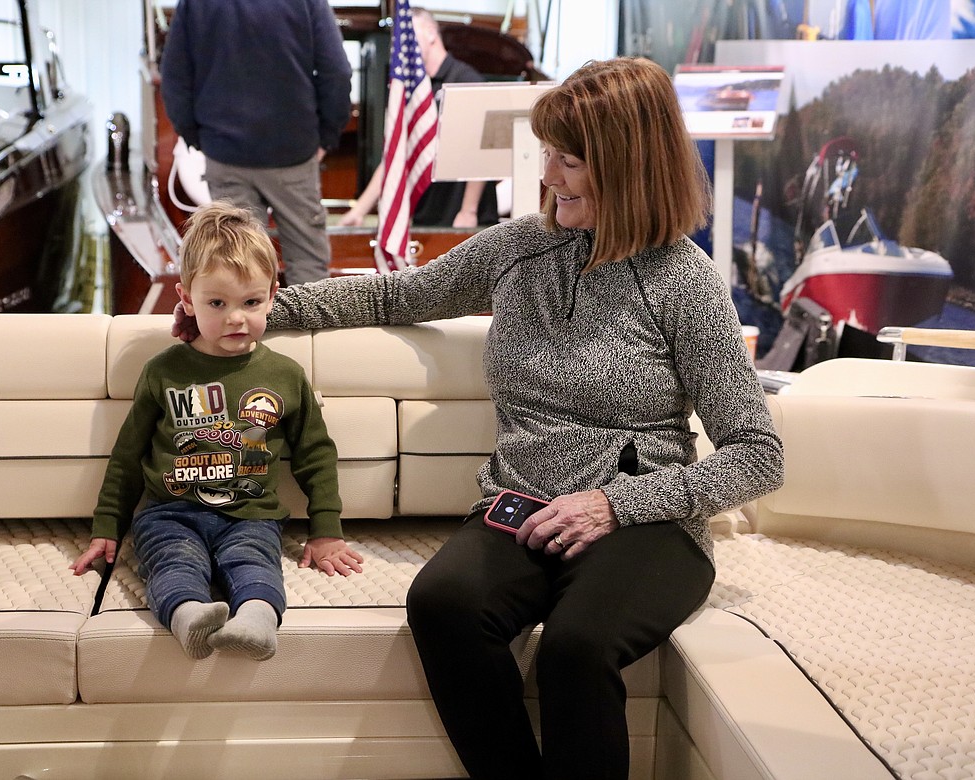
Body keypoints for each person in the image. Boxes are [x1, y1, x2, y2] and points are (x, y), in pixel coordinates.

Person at [174, 57, 784, 777]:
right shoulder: (519, 249)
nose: (548, 175)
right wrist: (250, 313)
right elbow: (391, 297)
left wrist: (615, 505)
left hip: (645, 525)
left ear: (629, 165)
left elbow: (757, 453)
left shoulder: (686, 283)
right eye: (548, 154)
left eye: (568, 160)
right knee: (442, 604)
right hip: (518, 507)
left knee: (576, 647)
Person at [74, 201, 364, 661]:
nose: (236, 318)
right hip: (169, 513)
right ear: (186, 298)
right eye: (217, 303)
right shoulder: (162, 371)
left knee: (255, 564)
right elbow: (127, 456)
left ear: (273, 294)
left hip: (252, 514)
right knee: (171, 562)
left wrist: (326, 529)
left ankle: (257, 622)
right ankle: (188, 616)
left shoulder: (286, 375)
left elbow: (315, 453)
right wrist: (107, 525)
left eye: (251, 302)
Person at [159, 0, 352, 286]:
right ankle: (308, 331)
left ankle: (247, 331)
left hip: (224, 153)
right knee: (308, 265)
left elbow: (174, 76)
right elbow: (337, 71)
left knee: (238, 264)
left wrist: (196, 136)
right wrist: (327, 135)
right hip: (293, 152)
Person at [338, 7, 499, 229]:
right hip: (426, 215)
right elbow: (395, 155)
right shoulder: (411, 92)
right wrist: (359, 210)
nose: (401, 47)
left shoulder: (467, 81)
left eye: (408, 36)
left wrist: (468, 211)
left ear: (432, 33)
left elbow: (482, 151)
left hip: (464, 216)